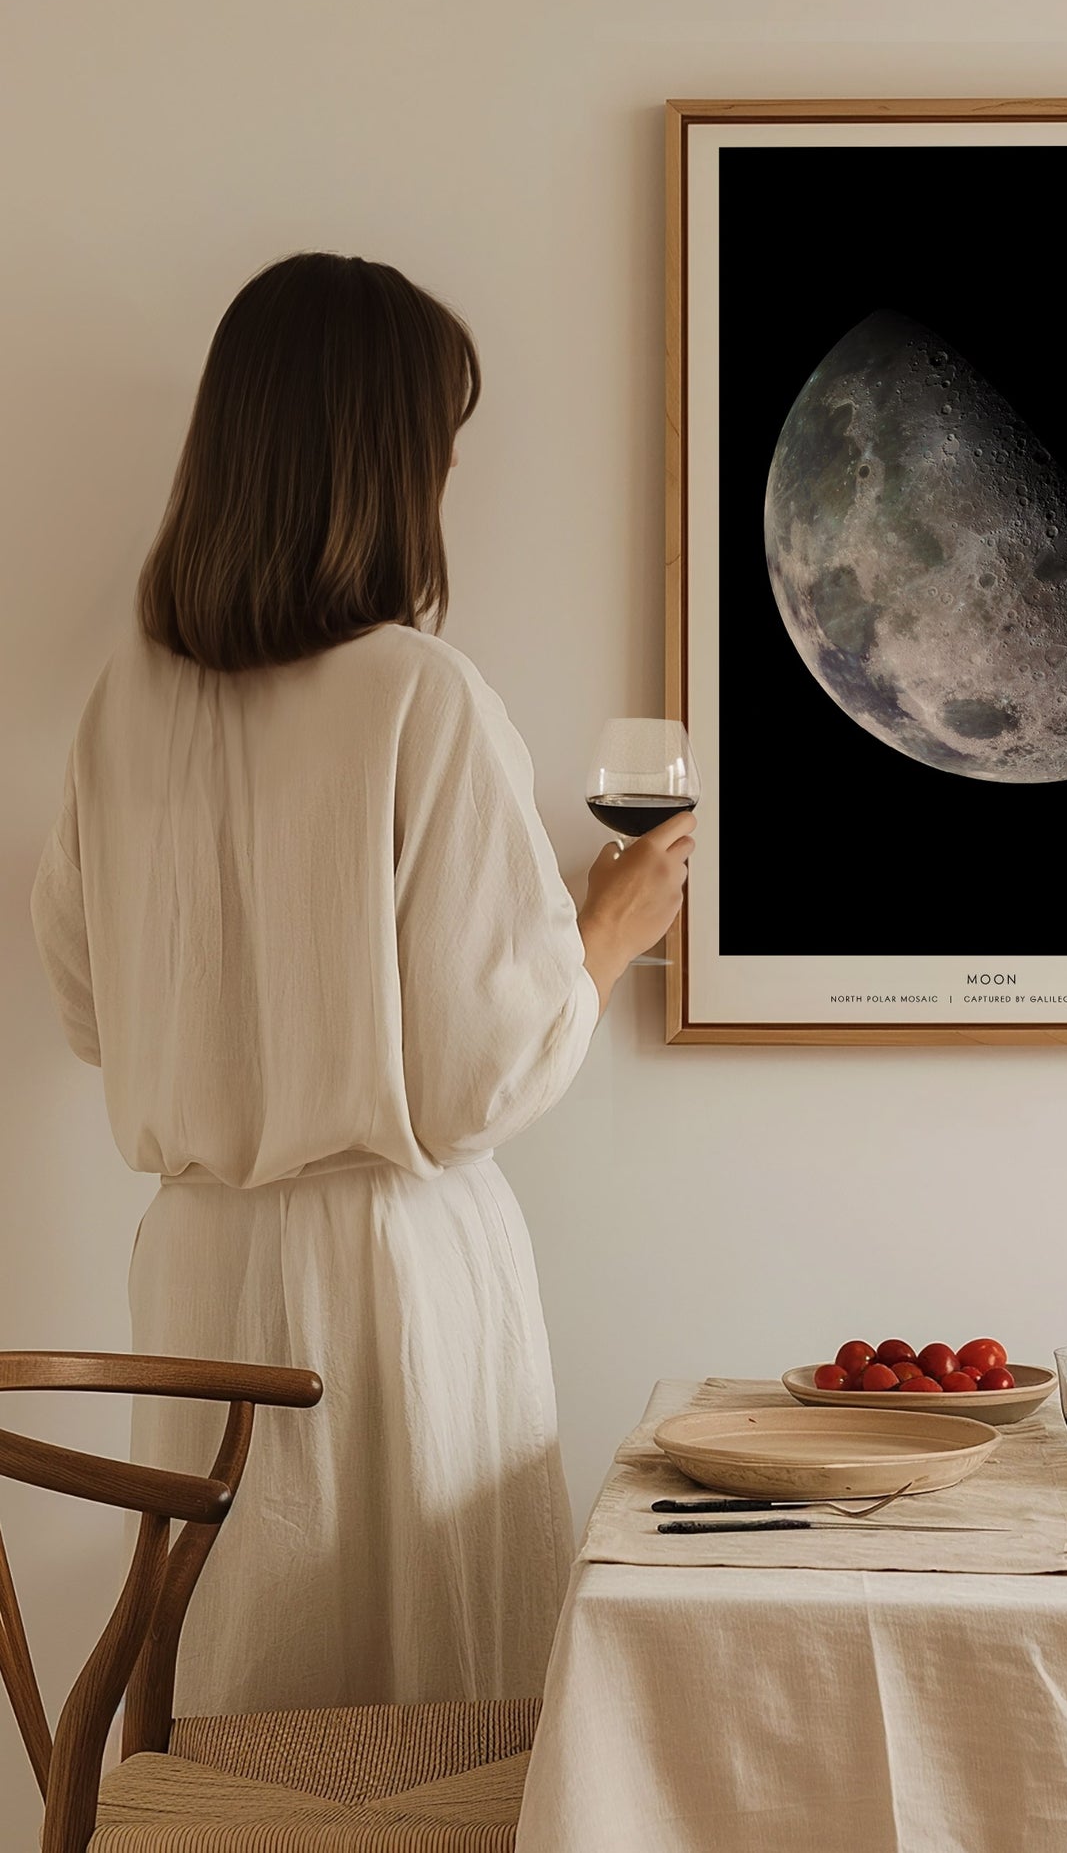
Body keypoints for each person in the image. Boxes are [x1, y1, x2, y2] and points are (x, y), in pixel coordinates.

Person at [29, 252, 690, 1713]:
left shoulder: (124, 704)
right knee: (426, 1715)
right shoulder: (418, 693)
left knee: (238, 1694)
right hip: (391, 1279)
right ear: (387, 461)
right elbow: (474, 1082)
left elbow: (87, 1006)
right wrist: (606, 929)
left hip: (197, 1271)